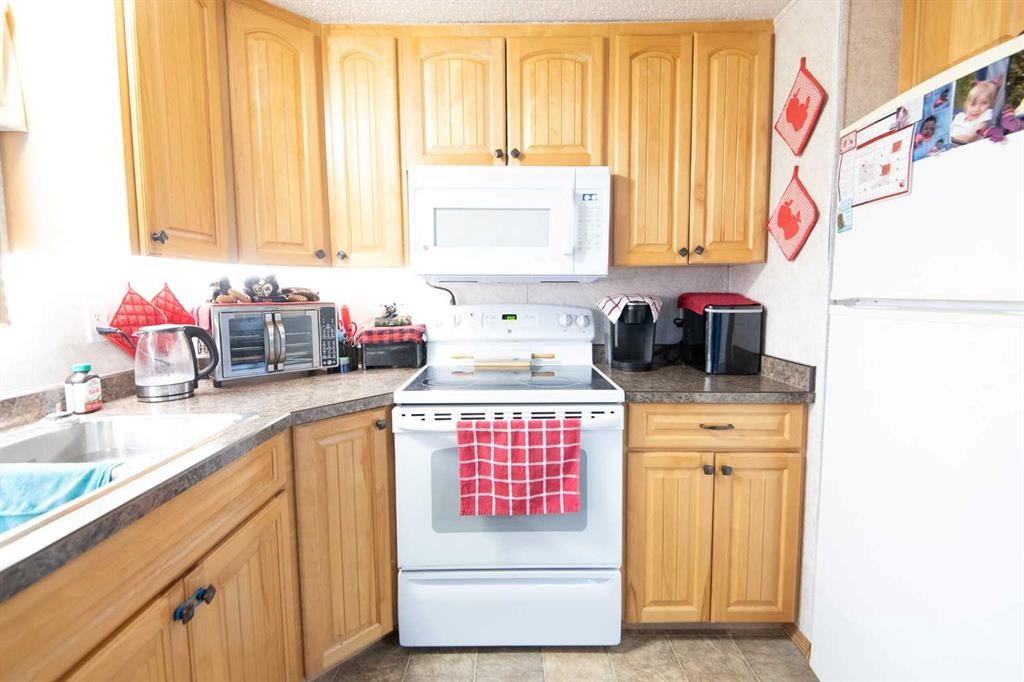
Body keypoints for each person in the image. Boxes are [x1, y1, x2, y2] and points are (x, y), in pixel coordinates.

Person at [950, 80, 998, 144]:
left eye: (983, 103)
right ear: (966, 105)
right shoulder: (960, 116)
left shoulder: (986, 115)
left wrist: (950, 140)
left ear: (991, 104)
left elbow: (970, 138)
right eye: (973, 104)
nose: (977, 109)